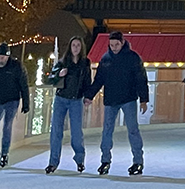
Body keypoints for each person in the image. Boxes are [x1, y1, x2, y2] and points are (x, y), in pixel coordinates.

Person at [85, 31, 150, 176]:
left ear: (122, 42)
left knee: (133, 130)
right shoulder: (106, 59)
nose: (114, 47)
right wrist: (89, 96)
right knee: (107, 130)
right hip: (111, 100)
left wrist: (144, 99)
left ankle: (138, 162)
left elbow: (141, 78)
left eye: (116, 44)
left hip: (128, 99)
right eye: (111, 45)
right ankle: (105, 161)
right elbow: (99, 80)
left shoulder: (133, 58)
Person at [44, 36, 92, 174]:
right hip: (61, 99)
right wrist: (59, 74)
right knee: (56, 132)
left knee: (76, 133)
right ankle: (53, 162)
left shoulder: (85, 63)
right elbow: (50, 79)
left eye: (78, 45)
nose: (76, 47)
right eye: (73, 45)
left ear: (81, 47)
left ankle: (79, 159)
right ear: (70, 47)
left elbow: (87, 81)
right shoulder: (62, 62)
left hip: (76, 101)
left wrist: (88, 96)